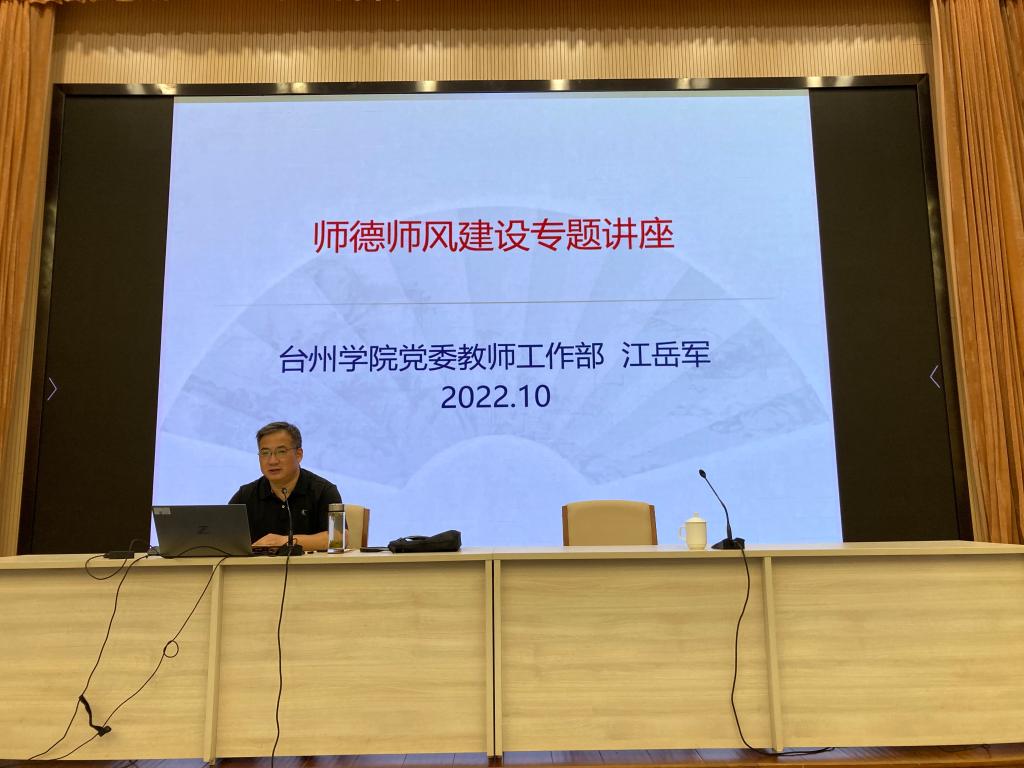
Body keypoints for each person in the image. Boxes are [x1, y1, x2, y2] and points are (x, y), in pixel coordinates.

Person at [229, 421, 341, 551]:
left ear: (299, 455)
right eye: (265, 453)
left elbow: (338, 539)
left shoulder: (324, 491)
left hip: (310, 564)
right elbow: (222, 537)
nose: (272, 461)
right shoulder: (245, 495)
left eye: (281, 452)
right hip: (260, 565)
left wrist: (286, 542)